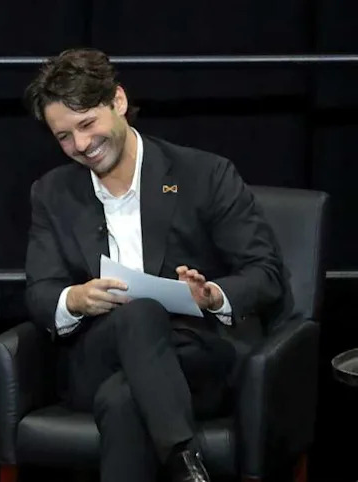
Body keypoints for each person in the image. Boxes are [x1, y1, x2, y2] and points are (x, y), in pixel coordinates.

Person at [22, 48, 293, 482]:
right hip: (98, 357)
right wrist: (74, 299)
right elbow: (39, 293)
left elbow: (265, 273)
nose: (80, 145)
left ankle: (183, 463)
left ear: (119, 102)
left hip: (192, 359)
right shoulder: (52, 193)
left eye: (87, 124)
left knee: (125, 399)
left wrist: (214, 295)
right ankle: (185, 464)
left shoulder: (205, 174)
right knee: (140, 313)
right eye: (64, 137)